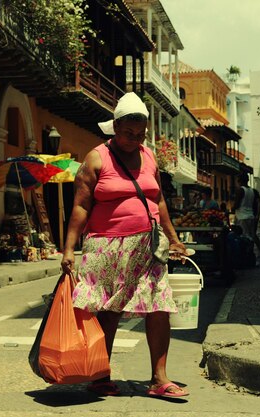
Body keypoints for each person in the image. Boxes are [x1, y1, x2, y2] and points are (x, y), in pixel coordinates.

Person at [61, 92, 189, 398]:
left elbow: (157, 199)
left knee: (158, 307)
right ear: (115, 127)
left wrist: (173, 238)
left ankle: (159, 379)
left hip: (147, 245)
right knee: (109, 310)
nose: (134, 139)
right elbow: (80, 207)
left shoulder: (149, 156)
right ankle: (101, 375)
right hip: (105, 246)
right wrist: (69, 249)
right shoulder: (96, 158)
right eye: (128, 133)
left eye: (140, 134)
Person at [232, 172, 260, 258]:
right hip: (251, 215)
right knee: (252, 235)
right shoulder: (253, 191)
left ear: (239, 181)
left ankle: (247, 255)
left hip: (242, 216)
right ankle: (258, 251)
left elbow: (237, 204)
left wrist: (232, 209)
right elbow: (258, 203)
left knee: (244, 237)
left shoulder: (240, 190)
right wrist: (257, 214)